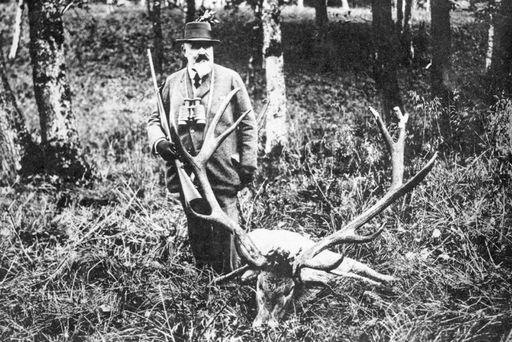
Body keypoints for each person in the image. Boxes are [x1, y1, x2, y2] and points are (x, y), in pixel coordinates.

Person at [147, 22, 258, 274]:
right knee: (197, 225)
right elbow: (155, 119)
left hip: (222, 170)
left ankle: (231, 278)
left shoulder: (230, 79)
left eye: (206, 46)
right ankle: (205, 281)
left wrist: (248, 164)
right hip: (186, 173)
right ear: (184, 50)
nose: (202, 51)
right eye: (195, 46)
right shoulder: (172, 83)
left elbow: (248, 124)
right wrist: (160, 142)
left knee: (228, 228)